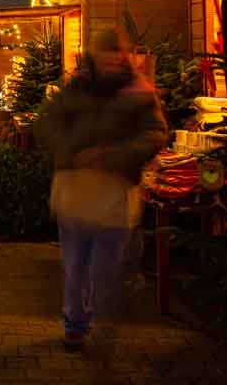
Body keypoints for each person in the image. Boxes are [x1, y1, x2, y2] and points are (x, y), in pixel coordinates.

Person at [39, 28, 167, 352]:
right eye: (106, 51)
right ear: (94, 55)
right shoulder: (76, 88)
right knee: (76, 266)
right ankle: (75, 325)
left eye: (117, 51)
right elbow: (49, 125)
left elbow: (153, 135)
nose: (112, 58)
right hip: (76, 193)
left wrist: (114, 157)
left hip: (113, 194)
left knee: (106, 268)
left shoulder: (139, 92)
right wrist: (71, 153)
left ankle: (102, 322)